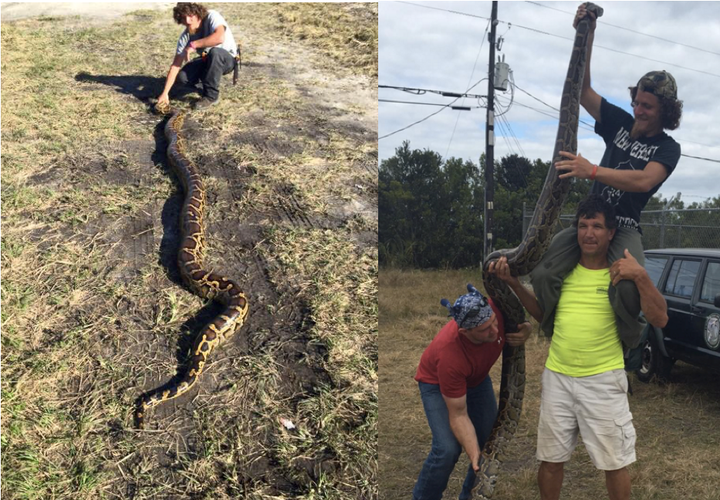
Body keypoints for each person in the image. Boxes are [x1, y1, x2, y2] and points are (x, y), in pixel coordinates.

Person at [489, 195, 668, 500]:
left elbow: (660, 318)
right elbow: (545, 316)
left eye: (597, 226)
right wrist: (515, 284)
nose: (589, 233)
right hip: (557, 378)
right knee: (550, 460)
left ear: (610, 232)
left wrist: (639, 275)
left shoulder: (621, 276)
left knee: (614, 464)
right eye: (583, 225)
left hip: (603, 381)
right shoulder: (564, 274)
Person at [531, 2, 683, 349]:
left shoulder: (668, 148)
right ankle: (558, 331)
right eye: (636, 102)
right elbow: (583, 92)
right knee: (543, 274)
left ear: (665, 111)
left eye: (647, 106)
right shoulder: (620, 123)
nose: (638, 111)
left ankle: (626, 344)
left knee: (628, 285)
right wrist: (588, 34)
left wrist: (593, 170)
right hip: (591, 219)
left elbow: (645, 180)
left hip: (624, 226)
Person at [412, 284, 532, 500]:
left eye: (494, 322)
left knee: (488, 440)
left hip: (476, 380)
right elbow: (458, 415)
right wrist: (474, 453)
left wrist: (527, 328)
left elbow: (524, 312)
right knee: (447, 450)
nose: (495, 331)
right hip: (437, 384)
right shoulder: (450, 354)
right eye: (485, 330)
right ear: (465, 332)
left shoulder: (497, 311)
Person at [157, 3, 238, 110]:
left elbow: (219, 38)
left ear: (198, 14)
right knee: (182, 77)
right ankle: (205, 83)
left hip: (227, 59)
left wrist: (194, 45)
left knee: (215, 53)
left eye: (190, 15)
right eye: (183, 17)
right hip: (206, 58)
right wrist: (165, 93)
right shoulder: (185, 37)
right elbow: (175, 66)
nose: (187, 20)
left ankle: (211, 96)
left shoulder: (212, 16)